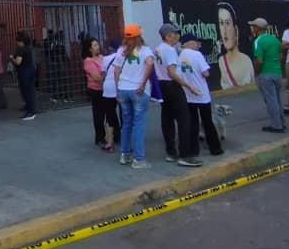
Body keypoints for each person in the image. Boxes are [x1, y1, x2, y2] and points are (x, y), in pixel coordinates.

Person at [155, 23, 202, 167]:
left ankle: (171, 152)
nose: (178, 36)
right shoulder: (169, 50)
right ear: (168, 36)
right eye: (175, 34)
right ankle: (185, 155)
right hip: (172, 86)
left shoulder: (157, 49)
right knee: (184, 120)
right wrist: (188, 86)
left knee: (167, 119)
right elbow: (172, 72)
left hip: (162, 86)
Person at [114, 24, 155, 169]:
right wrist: (143, 83)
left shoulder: (121, 51)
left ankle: (125, 155)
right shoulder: (145, 50)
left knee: (126, 123)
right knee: (139, 124)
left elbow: (116, 71)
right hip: (138, 91)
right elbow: (150, 64)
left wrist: (118, 89)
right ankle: (139, 159)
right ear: (139, 36)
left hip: (123, 90)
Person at [178, 33, 223, 156]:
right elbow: (206, 73)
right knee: (207, 122)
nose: (198, 44)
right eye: (196, 42)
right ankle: (215, 148)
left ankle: (193, 150)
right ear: (190, 43)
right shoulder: (197, 55)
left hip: (188, 94)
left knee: (193, 123)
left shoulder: (180, 55)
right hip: (201, 95)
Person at [250, 17, 287, 133]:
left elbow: (259, 60)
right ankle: (281, 122)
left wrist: (257, 72)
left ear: (257, 28)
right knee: (277, 99)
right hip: (277, 71)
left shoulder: (258, 41)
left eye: (253, 26)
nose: (252, 28)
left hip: (265, 73)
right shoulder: (274, 39)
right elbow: (281, 55)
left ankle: (276, 125)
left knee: (270, 100)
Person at [83, 37, 118, 149]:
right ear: (89, 49)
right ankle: (100, 138)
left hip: (106, 89)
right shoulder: (88, 61)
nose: (98, 47)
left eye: (98, 44)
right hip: (96, 90)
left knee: (110, 113)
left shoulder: (103, 58)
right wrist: (107, 75)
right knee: (99, 115)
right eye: (95, 45)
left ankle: (113, 136)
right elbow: (97, 77)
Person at [216, 2, 255, 89]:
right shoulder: (221, 61)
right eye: (221, 23)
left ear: (236, 29)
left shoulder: (246, 60)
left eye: (228, 23)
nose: (224, 30)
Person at [10, 31, 37, 121]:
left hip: (25, 72)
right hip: (30, 70)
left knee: (26, 92)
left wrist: (12, 58)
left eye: (17, 41)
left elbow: (18, 62)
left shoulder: (21, 50)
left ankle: (31, 112)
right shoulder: (28, 48)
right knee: (29, 91)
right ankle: (29, 108)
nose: (16, 43)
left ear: (21, 41)